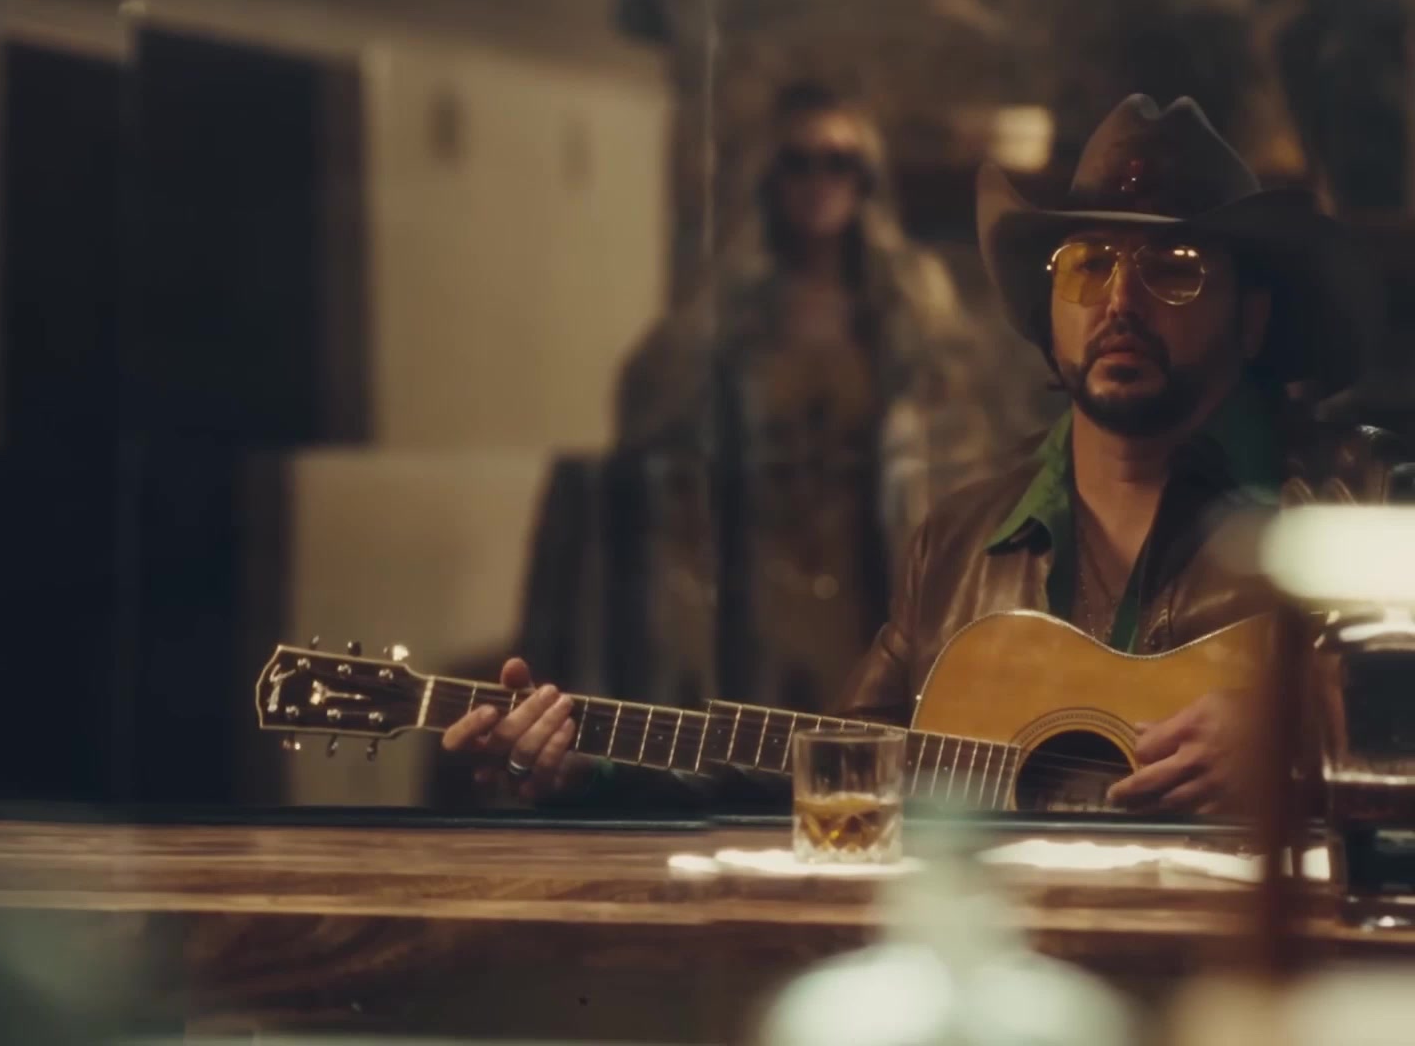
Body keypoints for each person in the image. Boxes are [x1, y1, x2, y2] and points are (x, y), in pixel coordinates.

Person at [453, 94, 1409, 813]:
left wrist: (1308, 741)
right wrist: (592, 767)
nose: (1121, 302)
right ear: (1049, 312)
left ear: (1252, 319)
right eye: (1089, 265)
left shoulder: (1349, 508)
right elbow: (835, 773)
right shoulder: (957, 542)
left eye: (1175, 269)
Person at [513, 82, 1033, 737]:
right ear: (771, 177)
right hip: (752, 587)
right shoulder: (717, 323)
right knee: (750, 751)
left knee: (859, 746)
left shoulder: (912, 318)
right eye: (799, 162)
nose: (819, 182)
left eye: (840, 163)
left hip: (868, 581)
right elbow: (654, 449)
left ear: (865, 180)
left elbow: (959, 468)